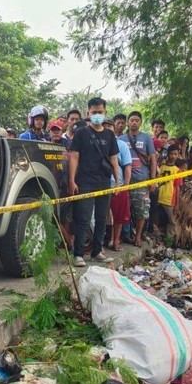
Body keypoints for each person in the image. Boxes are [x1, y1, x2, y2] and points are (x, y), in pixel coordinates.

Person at [68, 97, 119, 267]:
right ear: (88, 113)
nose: (97, 115)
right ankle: (78, 254)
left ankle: (97, 251)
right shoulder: (81, 133)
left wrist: (117, 180)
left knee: (101, 218)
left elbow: (113, 158)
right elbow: (74, 157)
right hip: (85, 182)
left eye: (100, 112)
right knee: (82, 219)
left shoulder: (110, 134)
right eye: (94, 112)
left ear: (105, 113)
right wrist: (72, 180)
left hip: (104, 181)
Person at [119, 111, 157, 246]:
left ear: (140, 122)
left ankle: (138, 237)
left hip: (142, 180)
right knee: (124, 210)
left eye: (137, 120)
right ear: (128, 123)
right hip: (125, 181)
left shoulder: (146, 138)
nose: (134, 122)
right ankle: (125, 236)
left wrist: (152, 180)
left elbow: (153, 159)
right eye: (132, 120)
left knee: (141, 210)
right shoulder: (121, 139)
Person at [108, 132, 132, 251]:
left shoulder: (121, 145)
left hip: (119, 186)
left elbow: (128, 166)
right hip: (100, 186)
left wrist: (125, 187)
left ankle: (116, 240)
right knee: (102, 217)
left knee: (118, 216)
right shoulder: (96, 143)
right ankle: (104, 241)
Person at [158, 144, 181, 239]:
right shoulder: (161, 167)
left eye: (175, 154)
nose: (173, 156)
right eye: (171, 153)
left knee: (172, 221)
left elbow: (178, 187)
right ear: (168, 154)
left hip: (170, 198)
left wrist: (177, 203)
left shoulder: (177, 170)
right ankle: (159, 239)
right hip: (159, 197)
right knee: (159, 220)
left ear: (178, 155)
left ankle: (169, 242)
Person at [174, 158, 192, 248]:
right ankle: (179, 243)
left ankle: (189, 243)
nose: (184, 170)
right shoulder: (176, 181)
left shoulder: (190, 181)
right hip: (179, 206)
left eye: (185, 168)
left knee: (190, 224)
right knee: (179, 224)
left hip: (190, 208)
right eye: (182, 168)